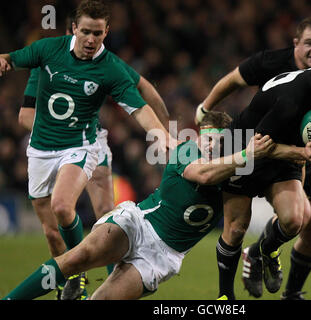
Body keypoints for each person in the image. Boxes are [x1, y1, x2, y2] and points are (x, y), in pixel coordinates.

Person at [2, 111, 282, 300]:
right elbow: (202, 174)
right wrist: (248, 154)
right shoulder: (187, 150)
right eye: (205, 137)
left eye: (217, 139)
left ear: (227, 142)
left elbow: (261, 212)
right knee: (77, 258)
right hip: (139, 224)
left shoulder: (237, 176)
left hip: (163, 257)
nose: (208, 144)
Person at [0, 0, 176, 300]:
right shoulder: (46, 54)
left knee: (82, 210)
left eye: (98, 33)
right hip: (41, 150)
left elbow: (141, 98)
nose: (91, 40)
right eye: (85, 32)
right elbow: (16, 79)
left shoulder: (110, 67)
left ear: (107, 32)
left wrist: (164, 132)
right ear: (73, 29)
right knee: (52, 231)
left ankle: (110, 287)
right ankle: (74, 279)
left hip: (84, 144)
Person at [196, 17, 311, 300]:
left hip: (285, 151)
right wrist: (304, 153)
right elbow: (260, 147)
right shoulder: (293, 97)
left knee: (295, 220)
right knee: (236, 227)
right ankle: (224, 297)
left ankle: (263, 250)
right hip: (244, 147)